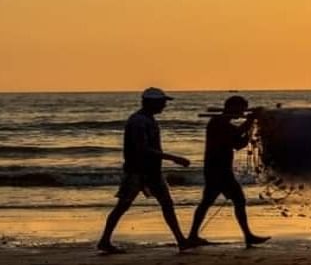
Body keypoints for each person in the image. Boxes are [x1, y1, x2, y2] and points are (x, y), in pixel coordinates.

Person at [98, 87, 193, 254]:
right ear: (151, 103)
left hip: (152, 171)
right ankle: (105, 240)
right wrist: (174, 158)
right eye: (162, 102)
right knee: (123, 206)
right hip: (137, 171)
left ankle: (180, 240)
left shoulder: (148, 120)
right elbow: (143, 149)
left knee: (166, 204)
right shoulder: (138, 122)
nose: (164, 105)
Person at [187, 95, 269, 248]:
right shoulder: (217, 122)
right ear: (232, 107)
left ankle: (193, 235)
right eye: (241, 109)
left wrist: (250, 126)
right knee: (236, 200)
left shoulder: (224, 123)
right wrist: (250, 121)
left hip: (220, 168)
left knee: (209, 202)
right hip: (217, 169)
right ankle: (247, 236)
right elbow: (236, 134)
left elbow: (238, 144)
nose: (242, 112)